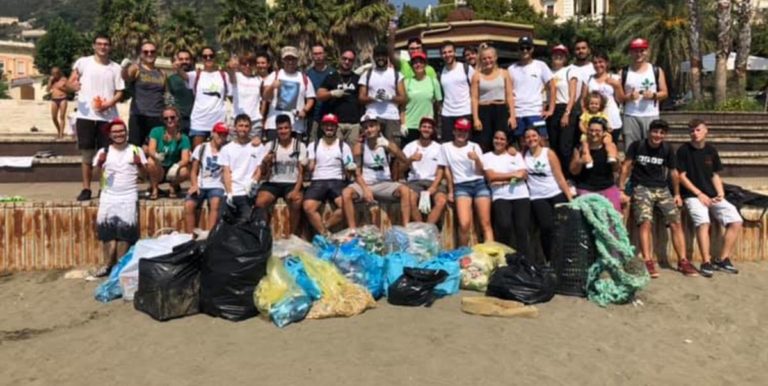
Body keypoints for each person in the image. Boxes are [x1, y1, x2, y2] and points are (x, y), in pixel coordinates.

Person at [618, 119, 698, 278]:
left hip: (662, 188)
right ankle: (648, 261)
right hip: (641, 186)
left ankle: (683, 261)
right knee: (645, 222)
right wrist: (621, 188)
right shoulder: (637, 146)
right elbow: (626, 166)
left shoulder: (667, 149)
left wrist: (676, 194)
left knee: (675, 221)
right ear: (649, 132)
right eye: (655, 131)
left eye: (662, 133)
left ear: (665, 135)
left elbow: (674, 172)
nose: (657, 135)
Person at [677, 119, 741, 275]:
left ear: (706, 131)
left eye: (698, 130)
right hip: (692, 195)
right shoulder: (683, 150)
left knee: (736, 220)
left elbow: (714, 174)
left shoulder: (711, 150)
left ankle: (723, 259)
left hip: (712, 194)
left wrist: (721, 193)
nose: (694, 133)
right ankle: (706, 262)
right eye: (691, 130)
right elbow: (681, 176)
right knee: (703, 222)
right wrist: (699, 194)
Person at [67, 34, 126, 201]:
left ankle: (104, 187)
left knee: (105, 155)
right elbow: (70, 82)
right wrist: (72, 86)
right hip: (86, 116)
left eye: (106, 44)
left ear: (110, 47)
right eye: (99, 44)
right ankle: (86, 188)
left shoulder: (115, 68)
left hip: (107, 118)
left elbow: (120, 92)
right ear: (94, 46)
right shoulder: (83, 62)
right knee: (86, 154)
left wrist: (108, 104)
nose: (102, 47)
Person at [92, 118, 147, 276]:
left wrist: (140, 165)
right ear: (110, 135)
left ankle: (119, 268)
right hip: (108, 196)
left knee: (125, 234)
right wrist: (99, 165)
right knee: (106, 233)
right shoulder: (104, 152)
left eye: (121, 131)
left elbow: (144, 177)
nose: (119, 134)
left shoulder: (136, 150)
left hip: (128, 196)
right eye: (115, 132)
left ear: (126, 132)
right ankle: (107, 264)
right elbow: (96, 176)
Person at [342, 114, 410, 229]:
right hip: (366, 183)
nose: (369, 130)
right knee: (346, 193)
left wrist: (389, 146)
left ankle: (407, 227)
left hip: (384, 183)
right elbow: (356, 172)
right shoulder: (360, 147)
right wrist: (365, 189)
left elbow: (405, 160)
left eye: (372, 126)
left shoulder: (387, 144)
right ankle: (352, 230)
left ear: (378, 127)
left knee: (405, 190)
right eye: (366, 127)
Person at [437, 118, 493, 247]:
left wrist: (477, 159)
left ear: (468, 133)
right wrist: (451, 191)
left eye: (464, 131)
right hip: (461, 185)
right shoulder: (445, 147)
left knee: (485, 223)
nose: (461, 133)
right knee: (464, 224)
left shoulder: (475, 146)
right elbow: (447, 170)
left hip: (479, 183)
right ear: (454, 131)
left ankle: (491, 255)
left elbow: (481, 171)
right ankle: (462, 253)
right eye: (459, 130)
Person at [523, 127, 572, 264]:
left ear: (539, 138)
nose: (531, 139)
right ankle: (550, 260)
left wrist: (569, 197)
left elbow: (560, 176)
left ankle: (566, 258)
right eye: (528, 137)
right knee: (546, 227)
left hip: (555, 192)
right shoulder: (524, 155)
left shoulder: (548, 153)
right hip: (537, 196)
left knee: (563, 227)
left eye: (534, 136)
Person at [303, 113, 356, 236]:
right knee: (308, 207)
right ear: (322, 127)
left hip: (337, 180)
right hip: (318, 180)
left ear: (336, 127)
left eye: (332, 125)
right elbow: (311, 167)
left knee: (345, 207)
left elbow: (349, 166)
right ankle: (325, 234)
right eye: (326, 125)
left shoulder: (343, 146)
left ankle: (325, 228)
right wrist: (306, 164)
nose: (329, 128)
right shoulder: (313, 145)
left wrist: (350, 168)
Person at [255, 114, 307, 238]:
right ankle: (263, 232)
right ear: (277, 130)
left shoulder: (299, 146)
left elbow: (301, 172)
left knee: (296, 201)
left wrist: (296, 190)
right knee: (260, 202)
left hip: (292, 182)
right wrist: (265, 161)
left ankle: (292, 234)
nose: (283, 131)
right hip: (273, 181)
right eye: (280, 129)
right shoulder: (270, 146)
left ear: (291, 129)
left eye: (286, 128)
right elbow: (262, 172)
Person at [482, 129, 532, 258]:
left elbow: (524, 174)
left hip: (521, 195)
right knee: (504, 225)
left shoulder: (515, 155)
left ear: (507, 142)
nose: (498, 141)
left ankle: (524, 261)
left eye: (502, 139)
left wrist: (502, 179)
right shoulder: (487, 156)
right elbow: (491, 177)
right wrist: (513, 175)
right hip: (500, 196)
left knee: (522, 228)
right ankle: (506, 259)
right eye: (496, 138)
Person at [175, 47, 232, 149]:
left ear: (215, 58)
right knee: (197, 154)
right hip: (199, 121)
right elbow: (184, 75)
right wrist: (178, 67)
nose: (208, 58)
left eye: (211, 56)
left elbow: (231, 94)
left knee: (218, 154)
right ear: (202, 59)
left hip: (218, 120)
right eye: (205, 56)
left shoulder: (224, 75)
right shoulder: (196, 74)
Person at [218, 114, 268, 222]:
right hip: (231, 193)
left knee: (245, 223)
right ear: (235, 127)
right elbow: (226, 172)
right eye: (240, 125)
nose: (243, 129)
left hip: (247, 193)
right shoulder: (226, 149)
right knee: (222, 223)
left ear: (250, 128)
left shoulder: (258, 147)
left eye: (246, 126)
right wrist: (229, 193)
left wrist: (253, 182)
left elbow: (260, 168)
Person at [621, 38, 668, 150]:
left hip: (651, 115)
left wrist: (654, 96)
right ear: (631, 52)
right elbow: (619, 97)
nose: (639, 54)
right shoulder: (624, 72)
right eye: (635, 51)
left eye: (642, 51)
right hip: (630, 115)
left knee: (652, 148)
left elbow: (665, 93)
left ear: (647, 51)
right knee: (631, 149)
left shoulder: (656, 70)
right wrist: (629, 97)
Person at [401, 117, 448, 224]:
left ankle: (428, 228)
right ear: (419, 128)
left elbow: (441, 170)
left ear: (433, 130)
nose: (426, 129)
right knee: (411, 200)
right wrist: (410, 159)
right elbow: (400, 169)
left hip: (433, 181)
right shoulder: (410, 146)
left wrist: (434, 187)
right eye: (424, 126)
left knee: (441, 201)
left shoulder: (439, 148)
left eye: (429, 127)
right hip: (415, 181)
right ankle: (421, 228)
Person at [508, 36, 554, 147]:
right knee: (521, 146)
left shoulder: (541, 66)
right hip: (518, 113)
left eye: (527, 48)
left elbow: (552, 86)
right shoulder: (511, 69)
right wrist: (512, 115)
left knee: (542, 144)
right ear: (518, 49)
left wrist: (551, 109)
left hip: (535, 112)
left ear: (532, 49)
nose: (525, 51)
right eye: (522, 48)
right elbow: (508, 94)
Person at [263, 46, 316, 141]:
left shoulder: (304, 78)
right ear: (283, 60)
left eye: (293, 59)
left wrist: (304, 110)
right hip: (274, 125)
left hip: (296, 127)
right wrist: (272, 87)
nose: (290, 62)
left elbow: (311, 98)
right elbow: (265, 96)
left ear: (297, 60)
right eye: (287, 59)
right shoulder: (274, 75)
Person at [184, 122, 229, 236]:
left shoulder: (227, 150)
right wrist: (194, 185)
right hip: (201, 183)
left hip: (217, 184)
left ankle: (210, 235)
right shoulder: (202, 148)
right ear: (213, 133)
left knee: (215, 203)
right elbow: (194, 171)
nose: (221, 137)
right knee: (189, 204)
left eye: (224, 134)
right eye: (219, 133)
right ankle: (190, 236)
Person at [569, 117, 622, 212]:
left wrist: (616, 160)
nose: (594, 134)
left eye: (598, 131)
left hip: (607, 186)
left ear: (604, 132)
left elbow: (616, 169)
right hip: (586, 187)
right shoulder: (580, 147)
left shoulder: (611, 146)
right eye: (591, 130)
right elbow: (573, 171)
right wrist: (581, 161)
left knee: (614, 215)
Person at [470, 45, 515, 152]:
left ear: (495, 57)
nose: (487, 61)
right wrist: (476, 118)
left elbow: (509, 96)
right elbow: (474, 98)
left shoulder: (504, 73)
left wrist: (512, 116)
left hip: (501, 110)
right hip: (484, 111)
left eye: (490, 58)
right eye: (484, 59)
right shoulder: (476, 76)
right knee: (484, 142)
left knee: (502, 140)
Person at [358, 44, 406, 144]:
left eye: (383, 56)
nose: (380, 58)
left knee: (393, 149)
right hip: (372, 116)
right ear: (374, 57)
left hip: (392, 116)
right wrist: (374, 98)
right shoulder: (367, 74)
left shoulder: (396, 74)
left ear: (387, 57)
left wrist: (390, 97)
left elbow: (403, 98)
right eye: (378, 56)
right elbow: (361, 98)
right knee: (373, 148)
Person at [123, 41, 166, 146]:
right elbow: (126, 77)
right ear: (141, 54)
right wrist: (124, 68)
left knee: (155, 149)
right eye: (146, 52)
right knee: (135, 148)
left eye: (152, 51)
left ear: (156, 54)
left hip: (157, 116)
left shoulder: (162, 73)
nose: (149, 54)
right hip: (139, 116)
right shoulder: (136, 69)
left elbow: (166, 94)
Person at [316, 48, 362, 146]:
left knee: (353, 156)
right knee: (334, 153)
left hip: (354, 124)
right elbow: (319, 95)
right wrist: (332, 93)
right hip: (335, 124)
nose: (347, 62)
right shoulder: (331, 76)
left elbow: (362, 99)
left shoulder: (357, 78)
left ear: (353, 62)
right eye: (344, 58)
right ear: (340, 59)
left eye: (350, 60)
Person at [145, 106, 191, 199]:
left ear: (177, 118)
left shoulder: (184, 137)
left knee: (185, 171)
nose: (169, 120)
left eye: (172, 117)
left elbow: (185, 158)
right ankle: (154, 188)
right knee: (150, 161)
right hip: (159, 167)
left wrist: (176, 166)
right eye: (166, 118)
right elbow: (151, 150)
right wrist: (156, 156)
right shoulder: (156, 131)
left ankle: (173, 186)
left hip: (173, 169)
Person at [581, 52, 625, 145]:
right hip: (593, 122)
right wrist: (585, 117)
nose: (598, 65)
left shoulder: (615, 78)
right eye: (595, 63)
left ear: (607, 63)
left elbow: (621, 100)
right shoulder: (589, 79)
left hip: (612, 119)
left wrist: (617, 86)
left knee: (611, 148)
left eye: (601, 62)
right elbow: (583, 100)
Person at [402, 51, 442, 146]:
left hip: (427, 126)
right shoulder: (406, 82)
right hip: (410, 125)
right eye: (415, 63)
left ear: (425, 64)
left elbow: (438, 105)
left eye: (421, 62)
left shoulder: (433, 81)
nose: (418, 64)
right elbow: (402, 106)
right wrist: (403, 124)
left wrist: (437, 125)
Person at [546, 45, 576, 170]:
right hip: (551, 109)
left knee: (565, 146)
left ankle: (568, 175)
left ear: (566, 57)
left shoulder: (569, 70)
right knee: (554, 145)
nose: (558, 56)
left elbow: (573, 95)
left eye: (561, 54)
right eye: (555, 54)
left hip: (565, 108)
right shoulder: (547, 72)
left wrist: (567, 113)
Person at [439, 41, 475, 142]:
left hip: (465, 112)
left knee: (466, 143)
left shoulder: (466, 68)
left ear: (455, 52)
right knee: (447, 145)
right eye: (444, 52)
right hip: (447, 114)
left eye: (450, 51)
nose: (447, 55)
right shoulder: (441, 72)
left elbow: (476, 90)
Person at [227, 53, 267, 138]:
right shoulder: (236, 76)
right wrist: (231, 67)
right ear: (240, 65)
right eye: (244, 64)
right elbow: (230, 73)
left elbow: (263, 100)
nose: (247, 66)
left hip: (254, 121)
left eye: (251, 63)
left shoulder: (259, 80)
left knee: (254, 150)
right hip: (236, 120)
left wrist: (261, 116)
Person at [578, 92, 618, 167]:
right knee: (585, 145)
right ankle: (588, 159)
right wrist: (585, 131)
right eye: (591, 103)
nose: (594, 106)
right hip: (588, 133)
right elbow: (580, 124)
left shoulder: (602, 115)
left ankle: (610, 155)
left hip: (601, 133)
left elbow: (606, 123)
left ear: (600, 105)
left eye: (596, 104)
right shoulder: (585, 114)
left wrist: (609, 128)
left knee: (608, 140)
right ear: (588, 104)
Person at [306, 44, 334, 141]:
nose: (318, 56)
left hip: (330, 116)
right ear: (312, 56)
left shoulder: (333, 73)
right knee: (312, 144)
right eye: (315, 53)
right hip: (313, 117)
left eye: (320, 53)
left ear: (325, 54)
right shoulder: (307, 74)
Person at [166, 49, 195, 134]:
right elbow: (168, 99)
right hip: (178, 121)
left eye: (187, 59)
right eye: (181, 59)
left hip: (196, 120)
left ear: (191, 61)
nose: (184, 61)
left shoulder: (198, 77)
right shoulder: (171, 79)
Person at [47, 66, 69, 138]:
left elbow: (68, 90)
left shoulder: (64, 79)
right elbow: (48, 90)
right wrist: (50, 81)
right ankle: (59, 130)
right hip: (54, 99)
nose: (54, 75)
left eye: (56, 73)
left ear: (59, 73)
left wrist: (61, 88)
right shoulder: (52, 80)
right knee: (54, 117)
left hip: (63, 98)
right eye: (53, 73)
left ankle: (61, 134)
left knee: (62, 116)